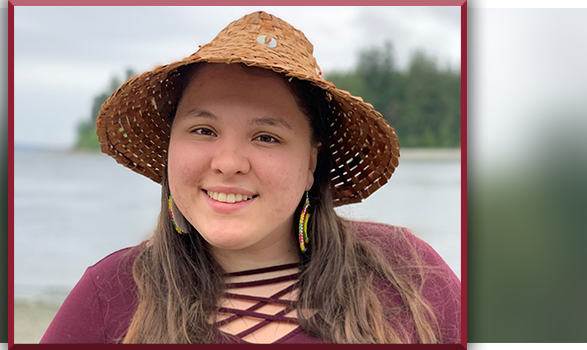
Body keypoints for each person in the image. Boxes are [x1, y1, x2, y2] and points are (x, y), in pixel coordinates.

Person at [40, 11, 460, 344]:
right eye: (204, 130)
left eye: (266, 137)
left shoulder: (407, 273)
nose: (228, 162)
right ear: (171, 147)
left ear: (312, 163)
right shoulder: (109, 294)